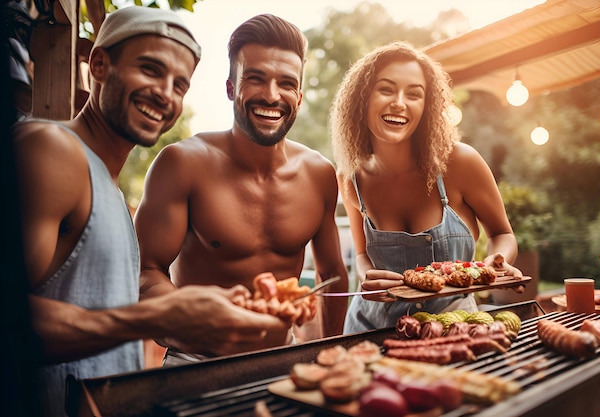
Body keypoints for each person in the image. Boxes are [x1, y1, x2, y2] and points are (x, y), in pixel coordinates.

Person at [12, 7, 288, 416]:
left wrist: (189, 322)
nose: (165, 93)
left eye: (180, 85)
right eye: (150, 69)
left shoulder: (105, 179)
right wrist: (152, 315)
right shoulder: (52, 151)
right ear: (99, 65)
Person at [134, 13, 349, 366]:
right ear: (231, 87)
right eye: (256, 78)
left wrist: (330, 352)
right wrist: (189, 329)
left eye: (286, 83)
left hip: (284, 360)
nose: (271, 95)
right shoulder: (181, 164)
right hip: (195, 360)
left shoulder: (319, 174)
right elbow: (145, 270)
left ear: (298, 93)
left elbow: (333, 275)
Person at [329, 41, 523, 334]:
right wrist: (366, 277)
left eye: (414, 94)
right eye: (386, 89)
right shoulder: (350, 178)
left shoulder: (460, 162)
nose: (399, 102)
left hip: (452, 327)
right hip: (369, 329)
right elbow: (361, 255)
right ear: (362, 99)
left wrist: (496, 261)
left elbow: (502, 234)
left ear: (427, 106)